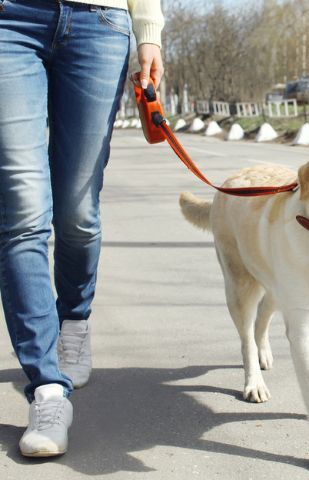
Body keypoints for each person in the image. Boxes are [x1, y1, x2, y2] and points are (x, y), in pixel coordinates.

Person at [0, 0, 164, 457]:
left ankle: (73, 318)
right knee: (23, 210)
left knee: (77, 211)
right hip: (8, 20)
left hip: (101, 22)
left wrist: (148, 31)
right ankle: (48, 390)